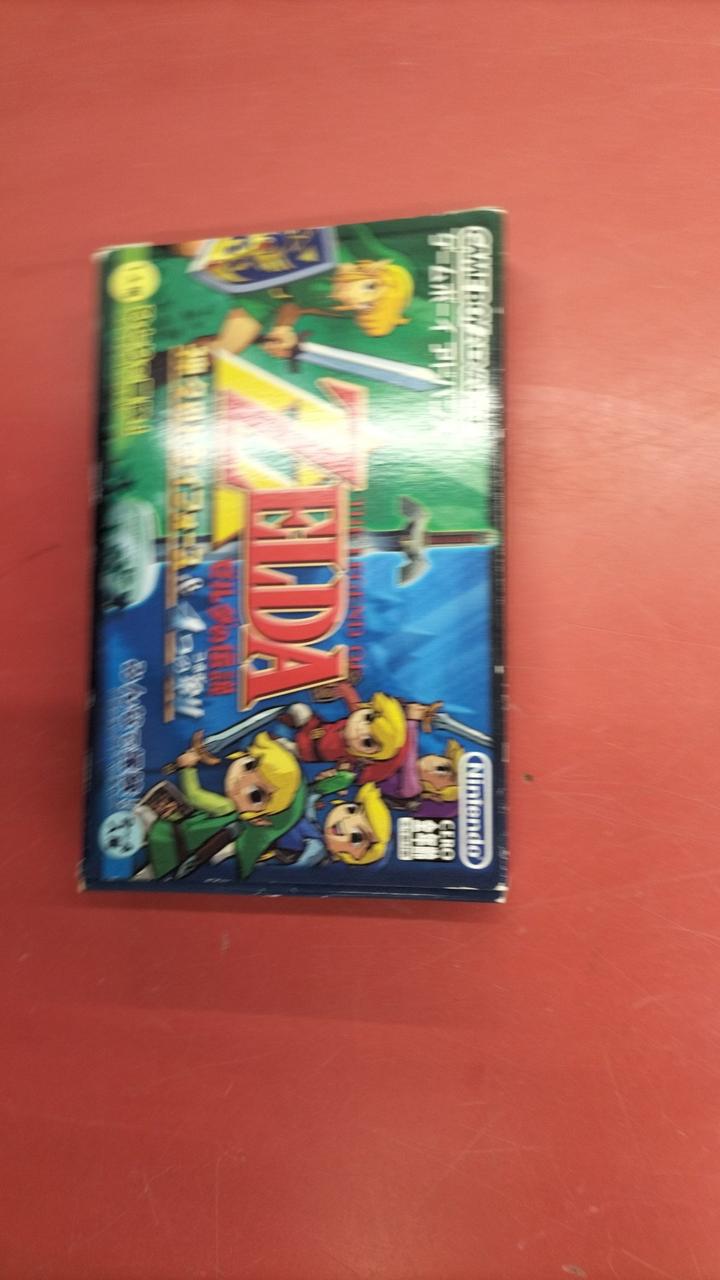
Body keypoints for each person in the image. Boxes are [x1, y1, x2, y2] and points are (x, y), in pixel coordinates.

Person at [133, 729, 304, 880]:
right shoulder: (236, 825)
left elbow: (194, 795)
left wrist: (187, 767)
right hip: (175, 850)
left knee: (141, 821)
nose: (241, 780)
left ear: (260, 820)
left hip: (168, 842)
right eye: (249, 766)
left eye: (256, 794)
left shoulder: (227, 808)